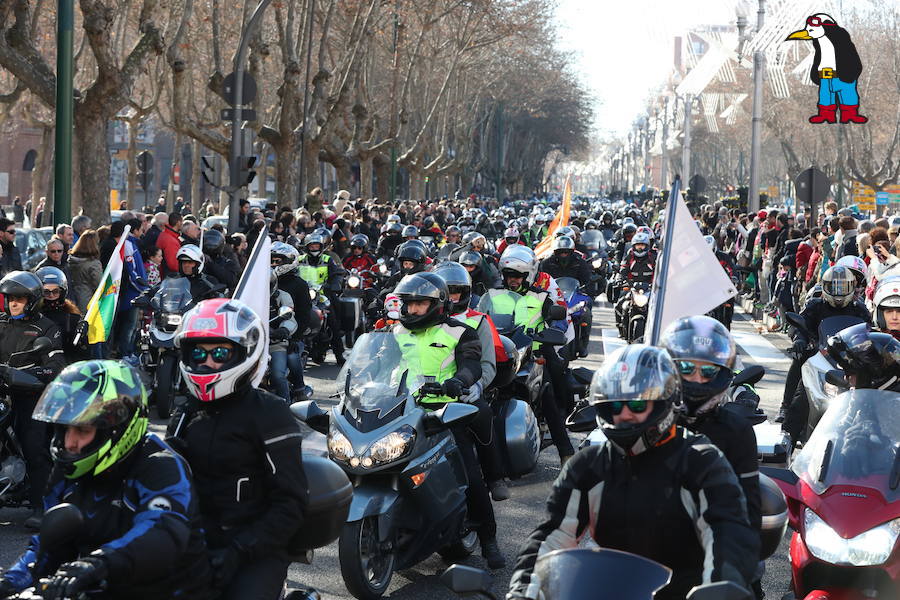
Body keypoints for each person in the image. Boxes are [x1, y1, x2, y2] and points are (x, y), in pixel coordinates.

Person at [507, 344, 759, 600]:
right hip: (611, 592)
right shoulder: (588, 465)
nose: (624, 414)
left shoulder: (702, 462)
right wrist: (522, 592)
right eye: (614, 406)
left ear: (665, 402)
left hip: (688, 594)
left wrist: (720, 588)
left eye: (637, 406)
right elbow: (551, 535)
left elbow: (728, 537)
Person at [0, 360, 213, 599]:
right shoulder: (68, 469)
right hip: (100, 587)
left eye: (82, 430)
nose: (69, 443)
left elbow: (162, 531)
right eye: (64, 429)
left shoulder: (161, 465)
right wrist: (10, 581)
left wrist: (97, 564)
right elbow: (47, 547)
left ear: (116, 427)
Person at [167, 298, 307, 600]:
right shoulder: (185, 414)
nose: (207, 362)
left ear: (245, 352)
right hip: (193, 543)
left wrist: (239, 550)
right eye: (198, 353)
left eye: (220, 352)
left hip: (255, 549)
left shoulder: (270, 413)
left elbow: (291, 504)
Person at [392, 273, 505, 569]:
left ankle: (488, 538)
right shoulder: (395, 333)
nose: (413, 310)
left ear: (437, 304)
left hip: (445, 414)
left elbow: (471, 364)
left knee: (468, 473)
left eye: (420, 304)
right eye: (409, 304)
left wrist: (459, 380)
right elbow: (373, 363)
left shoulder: (460, 332)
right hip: (402, 411)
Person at [659, 315, 763, 597]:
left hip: (715, 554)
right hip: (649, 555)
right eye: (686, 368)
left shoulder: (736, 430)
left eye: (708, 372)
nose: (696, 378)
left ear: (722, 375)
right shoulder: (645, 419)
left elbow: (749, 513)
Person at [489, 245, 575, 464]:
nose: (513, 280)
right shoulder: (493, 294)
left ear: (528, 275)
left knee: (549, 389)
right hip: (502, 353)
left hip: (534, 351)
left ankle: (566, 451)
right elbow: (481, 319)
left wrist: (554, 329)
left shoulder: (541, 295)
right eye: (509, 275)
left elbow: (560, 315)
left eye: (518, 276)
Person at [433, 262, 510, 501]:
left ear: (466, 293)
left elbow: (487, 364)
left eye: (456, 291)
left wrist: (477, 386)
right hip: (424, 393)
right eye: (446, 291)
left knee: (483, 414)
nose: (451, 297)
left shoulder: (478, 321)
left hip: (466, 392)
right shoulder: (422, 321)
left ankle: (494, 476)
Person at [0, 271, 65, 529]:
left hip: (30, 396)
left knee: (34, 447)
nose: (14, 303)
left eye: (20, 299)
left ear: (33, 300)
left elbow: (56, 366)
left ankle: (42, 505)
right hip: (1, 394)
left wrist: (21, 374)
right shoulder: (1, 323)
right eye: (10, 299)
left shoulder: (46, 328)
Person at [779, 266, 871, 436]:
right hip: (819, 354)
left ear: (852, 287)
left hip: (850, 360)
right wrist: (800, 340)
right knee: (802, 391)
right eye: (834, 287)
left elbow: (869, 333)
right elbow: (801, 325)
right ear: (825, 287)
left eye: (843, 287)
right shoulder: (815, 306)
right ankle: (786, 424)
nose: (838, 292)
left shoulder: (860, 309)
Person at [271, 242, 312, 401]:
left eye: (278, 261)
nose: (274, 264)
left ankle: (299, 389)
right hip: (262, 333)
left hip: (290, 334)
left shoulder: (298, 284)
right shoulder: (262, 281)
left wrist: (294, 337)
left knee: (292, 356)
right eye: (272, 260)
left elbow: (304, 314)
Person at [298, 232, 346, 366]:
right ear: (307, 247)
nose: (314, 248)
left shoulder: (327, 259)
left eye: (316, 245)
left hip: (322, 296)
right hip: (303, 296)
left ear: (321, 246)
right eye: (311, 246)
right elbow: (292, 272)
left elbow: (336, 274)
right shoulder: (300, 260)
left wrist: (334, 284)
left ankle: (339, 354)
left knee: (333, 320)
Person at [36, 267, 84, 361]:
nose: (51, 295)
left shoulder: (72, 318)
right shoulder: (32, 316)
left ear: (62, 292)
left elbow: (80, 353)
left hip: (64, 366)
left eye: (55, 291)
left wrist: (82, 337)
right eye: (46, 292)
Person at [67, 230, 103, 315]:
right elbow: (98, 284)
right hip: (87, 300)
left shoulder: (70, 260)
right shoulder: (94, 264)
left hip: (71, 298)